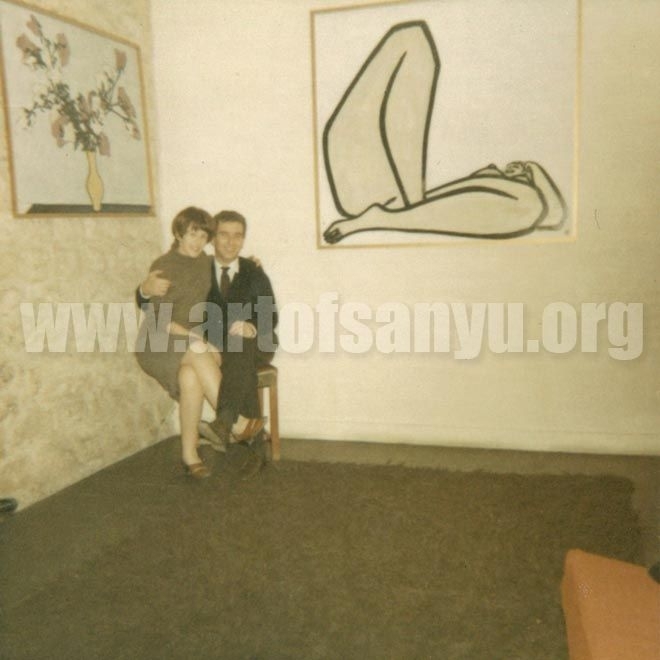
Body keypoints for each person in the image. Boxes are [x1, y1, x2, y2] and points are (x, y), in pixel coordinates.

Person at [321, 21, 567, 243]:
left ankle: (380, 220)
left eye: (508, 178)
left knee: (531, 205)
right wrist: (529, 170)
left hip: (370, 186)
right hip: (365, 173)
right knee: (415, 37)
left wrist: (532, 168)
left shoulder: (528, 204)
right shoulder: (412, 195)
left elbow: (554, 215)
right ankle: (381, 218)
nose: (498, 167)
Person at [135, 206, 221, 479]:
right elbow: (159, 318)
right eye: (192, 234)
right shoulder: (164, 266)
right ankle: (235, 421)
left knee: (190, 377)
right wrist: (196, 338)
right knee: (198, 350)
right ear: (178, 233)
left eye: (203, 236)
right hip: (158, 340)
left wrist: (252, 264)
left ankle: (189, 455)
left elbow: (232, 267)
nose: (198, 242)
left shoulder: (207, 263)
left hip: (189, 344)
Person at [196, 210, 278, 475]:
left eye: (238, 236)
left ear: (243, 239)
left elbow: (270, 315)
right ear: (212, 238)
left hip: (258, 342)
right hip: (218, 347)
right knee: (240, 364)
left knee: (240, 345)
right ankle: (254, 444)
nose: (231, 242)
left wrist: (251, 326)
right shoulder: (198, 269)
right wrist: (146, 291)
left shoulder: (253, 271)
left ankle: (224, 421)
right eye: (224, 235)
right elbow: (163, 297)